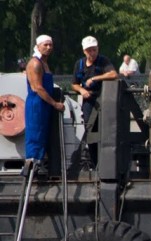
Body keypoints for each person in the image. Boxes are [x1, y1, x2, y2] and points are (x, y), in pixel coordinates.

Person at [71, 36, 118, 166]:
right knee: (90, 131)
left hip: (103, 99)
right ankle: (94, 161)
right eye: (89, 50)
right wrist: (81, 90)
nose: (92, 53)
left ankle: (106, 161)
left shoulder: (103, 61)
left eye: (94, 50)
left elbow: (113, 74)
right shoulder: (79, 64)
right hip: (88, 102)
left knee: (105, 130)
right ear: (84, 51)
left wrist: (96, 78)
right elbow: (74, 84)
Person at [24, 35, 65, 168]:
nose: (48, 48)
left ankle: (41, 162)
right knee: (36, 132)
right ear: (38, 46)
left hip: (45, 104)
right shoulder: (35, 63)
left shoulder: (45, 64)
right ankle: (31, 163)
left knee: (44, 134)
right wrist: (55, 103)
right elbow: (37, 88)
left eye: (50, 45)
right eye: (45, 45)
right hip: (37, 104)